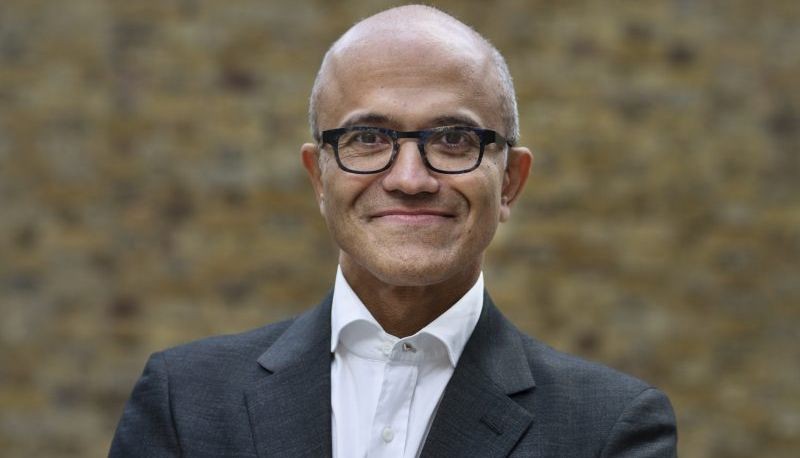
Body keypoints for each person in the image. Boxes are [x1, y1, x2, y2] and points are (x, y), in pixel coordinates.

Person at [110, 5, 677, 457]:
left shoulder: (608, 429)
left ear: (509, 182)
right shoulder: (184, 401)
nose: (410, 179)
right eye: (368, 139)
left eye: (454, 139)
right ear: (319, 177)